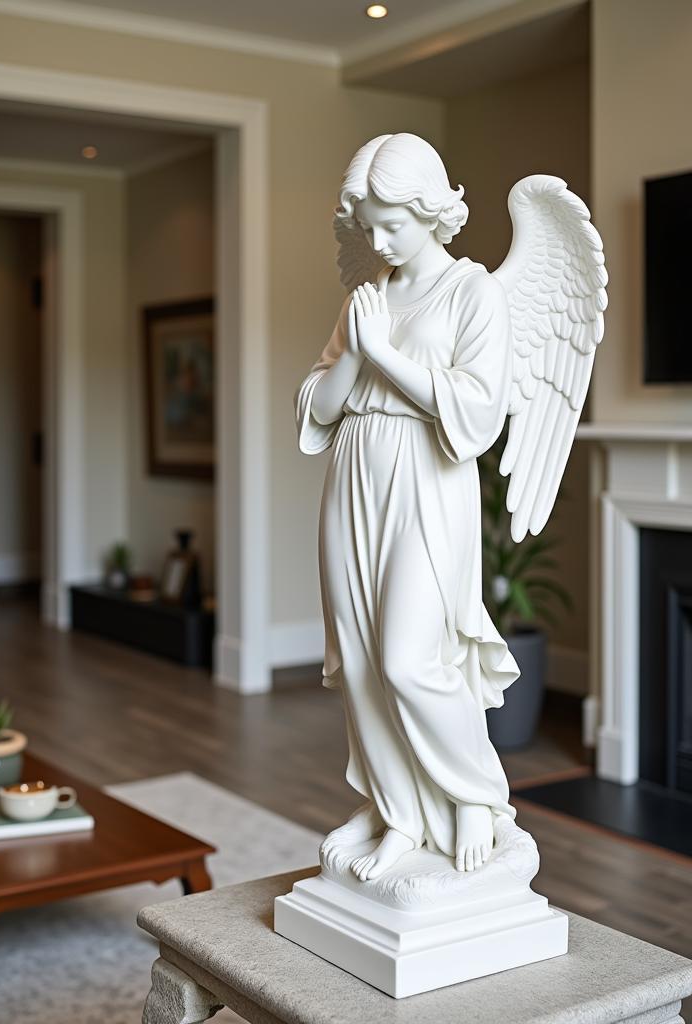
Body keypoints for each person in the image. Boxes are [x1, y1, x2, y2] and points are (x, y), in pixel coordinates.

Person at [295, 134, 519, 882]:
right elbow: (320, 408)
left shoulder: (473, 292)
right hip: (354, 477)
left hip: (427, 483)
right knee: (359, 662)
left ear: (431, 208)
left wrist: (383, 355)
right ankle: (400, 812)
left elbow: (477, 415)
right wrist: (356, 352)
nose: (379, 241)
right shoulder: (368, 298)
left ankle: (477, 797)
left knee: (410, 660)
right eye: (369, 228)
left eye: (392, 223)